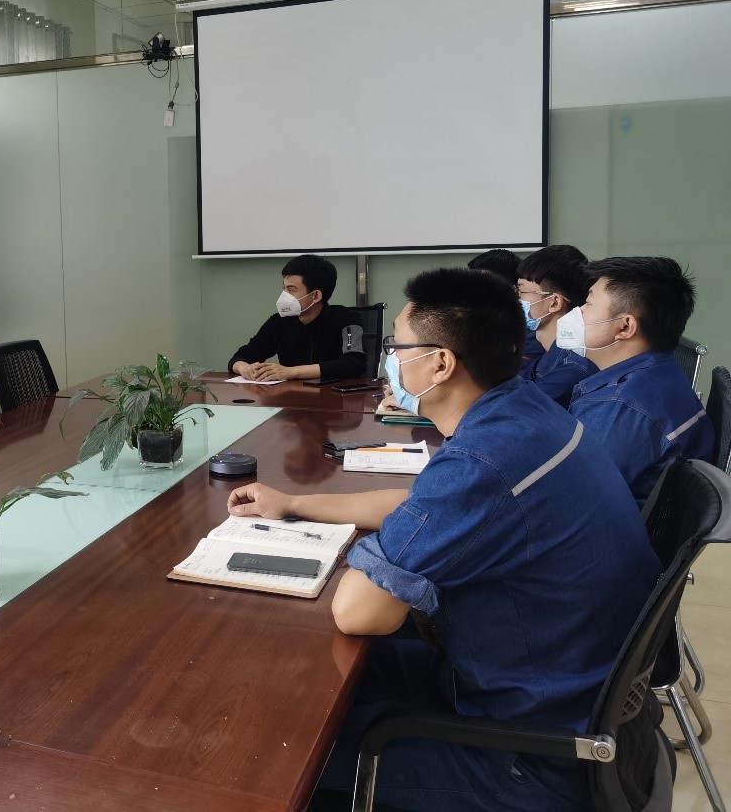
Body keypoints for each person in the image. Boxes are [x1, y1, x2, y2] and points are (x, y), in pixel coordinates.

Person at [228, 267, 659, 811]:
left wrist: (379, 553)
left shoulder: (484, 460)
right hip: (550, 692)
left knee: (266, 753)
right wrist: (293, 504)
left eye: (397, 348)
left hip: (528, 756)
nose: (389, 360)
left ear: (440, 363)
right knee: (297, 679)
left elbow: (361, 612)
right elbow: (419, 503)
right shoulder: (521, 412)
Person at [566, 256, 714, 509]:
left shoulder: (619, 408)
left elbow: (572, 501)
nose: (577, 313)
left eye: (588, 304)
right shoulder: (664, 372)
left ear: (625, 327)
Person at [228, 254, 366, 382]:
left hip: (332, 396)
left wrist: (291, 372)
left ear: (316, 296)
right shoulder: (278, 322)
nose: (284, 296)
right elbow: (240, 357)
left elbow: (354, 363)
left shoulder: (348, 319)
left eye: (291, 290)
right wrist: (245, 368)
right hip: (291, 396)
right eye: (284, 289)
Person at [516, 245, 595, 406]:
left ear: (554, 302)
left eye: (521, 292)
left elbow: (521, 408)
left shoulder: (572, 368)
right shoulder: (551, 355)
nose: (516, 300)